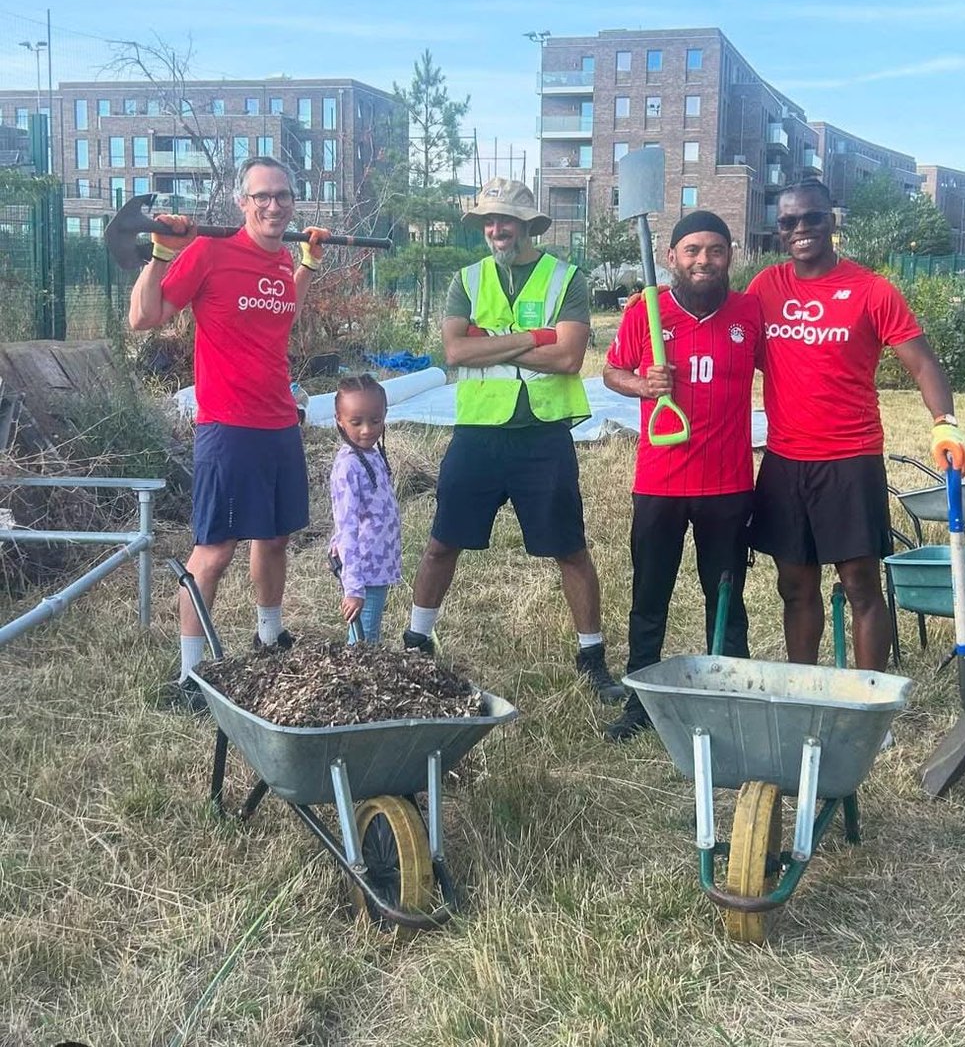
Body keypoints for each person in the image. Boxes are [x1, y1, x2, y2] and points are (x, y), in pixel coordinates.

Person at [403, 178, 623, 701]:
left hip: (543, 435)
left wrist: (492, 344)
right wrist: (534, 338)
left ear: (527, 224)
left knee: (570, 548)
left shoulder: (567, 278)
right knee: (441, 543)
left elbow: (569, 357)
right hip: (478, 432)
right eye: (488, 221)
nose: (495, 229)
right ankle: (416, 642)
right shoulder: (467, 279)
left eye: (504, 220)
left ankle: (591, 658)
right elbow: (455, 352)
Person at [747, 177, 965, 672]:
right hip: (785, 461)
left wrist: (945, 423)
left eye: (812, 217)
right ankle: (804, 687)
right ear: (779, 229)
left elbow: (924, 364)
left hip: (850, 460)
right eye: (789, 221)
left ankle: (868, 698)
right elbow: (727, 329)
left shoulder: (871, 289)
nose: (801, 229)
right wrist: (659, 308)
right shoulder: (766, 287)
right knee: (795, 586)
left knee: (860, 584)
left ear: (833, 219)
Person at [128, 156, 329, 711]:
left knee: (276, 537)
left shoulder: (282, 258)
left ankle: (269, 636)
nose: (273, 205)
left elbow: (282, 314)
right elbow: (143, 318)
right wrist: (160, 255)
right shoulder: (210, 251)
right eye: (261, 196)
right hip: (227, 427)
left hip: (279, 421)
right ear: (243, 203)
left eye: (282, 195)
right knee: (214, 551)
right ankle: (191, 677)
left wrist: (307, 265)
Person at [602, 211, 762, 740]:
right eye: (691, 250)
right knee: (650, 594)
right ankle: (642, 699)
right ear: (670, 257)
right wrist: (642, 387)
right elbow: (611, 370)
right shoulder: (645, 313)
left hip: (728, 485)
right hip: (660, 482)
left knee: (726, 596)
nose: (703, 260)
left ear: (729, 257)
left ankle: (730, 695)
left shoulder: (749, 313)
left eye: (715, 250)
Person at [329, 374, 401, 644]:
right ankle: (354, 683)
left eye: (375, 421)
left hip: (378, 565)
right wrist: (353, 587)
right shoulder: (348, 466)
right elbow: (346, 529)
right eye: (355, 422)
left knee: (369, 634)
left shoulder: (372, 453)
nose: (367, 430)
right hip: (363, 571)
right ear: (339, 419)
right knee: (363, 641)